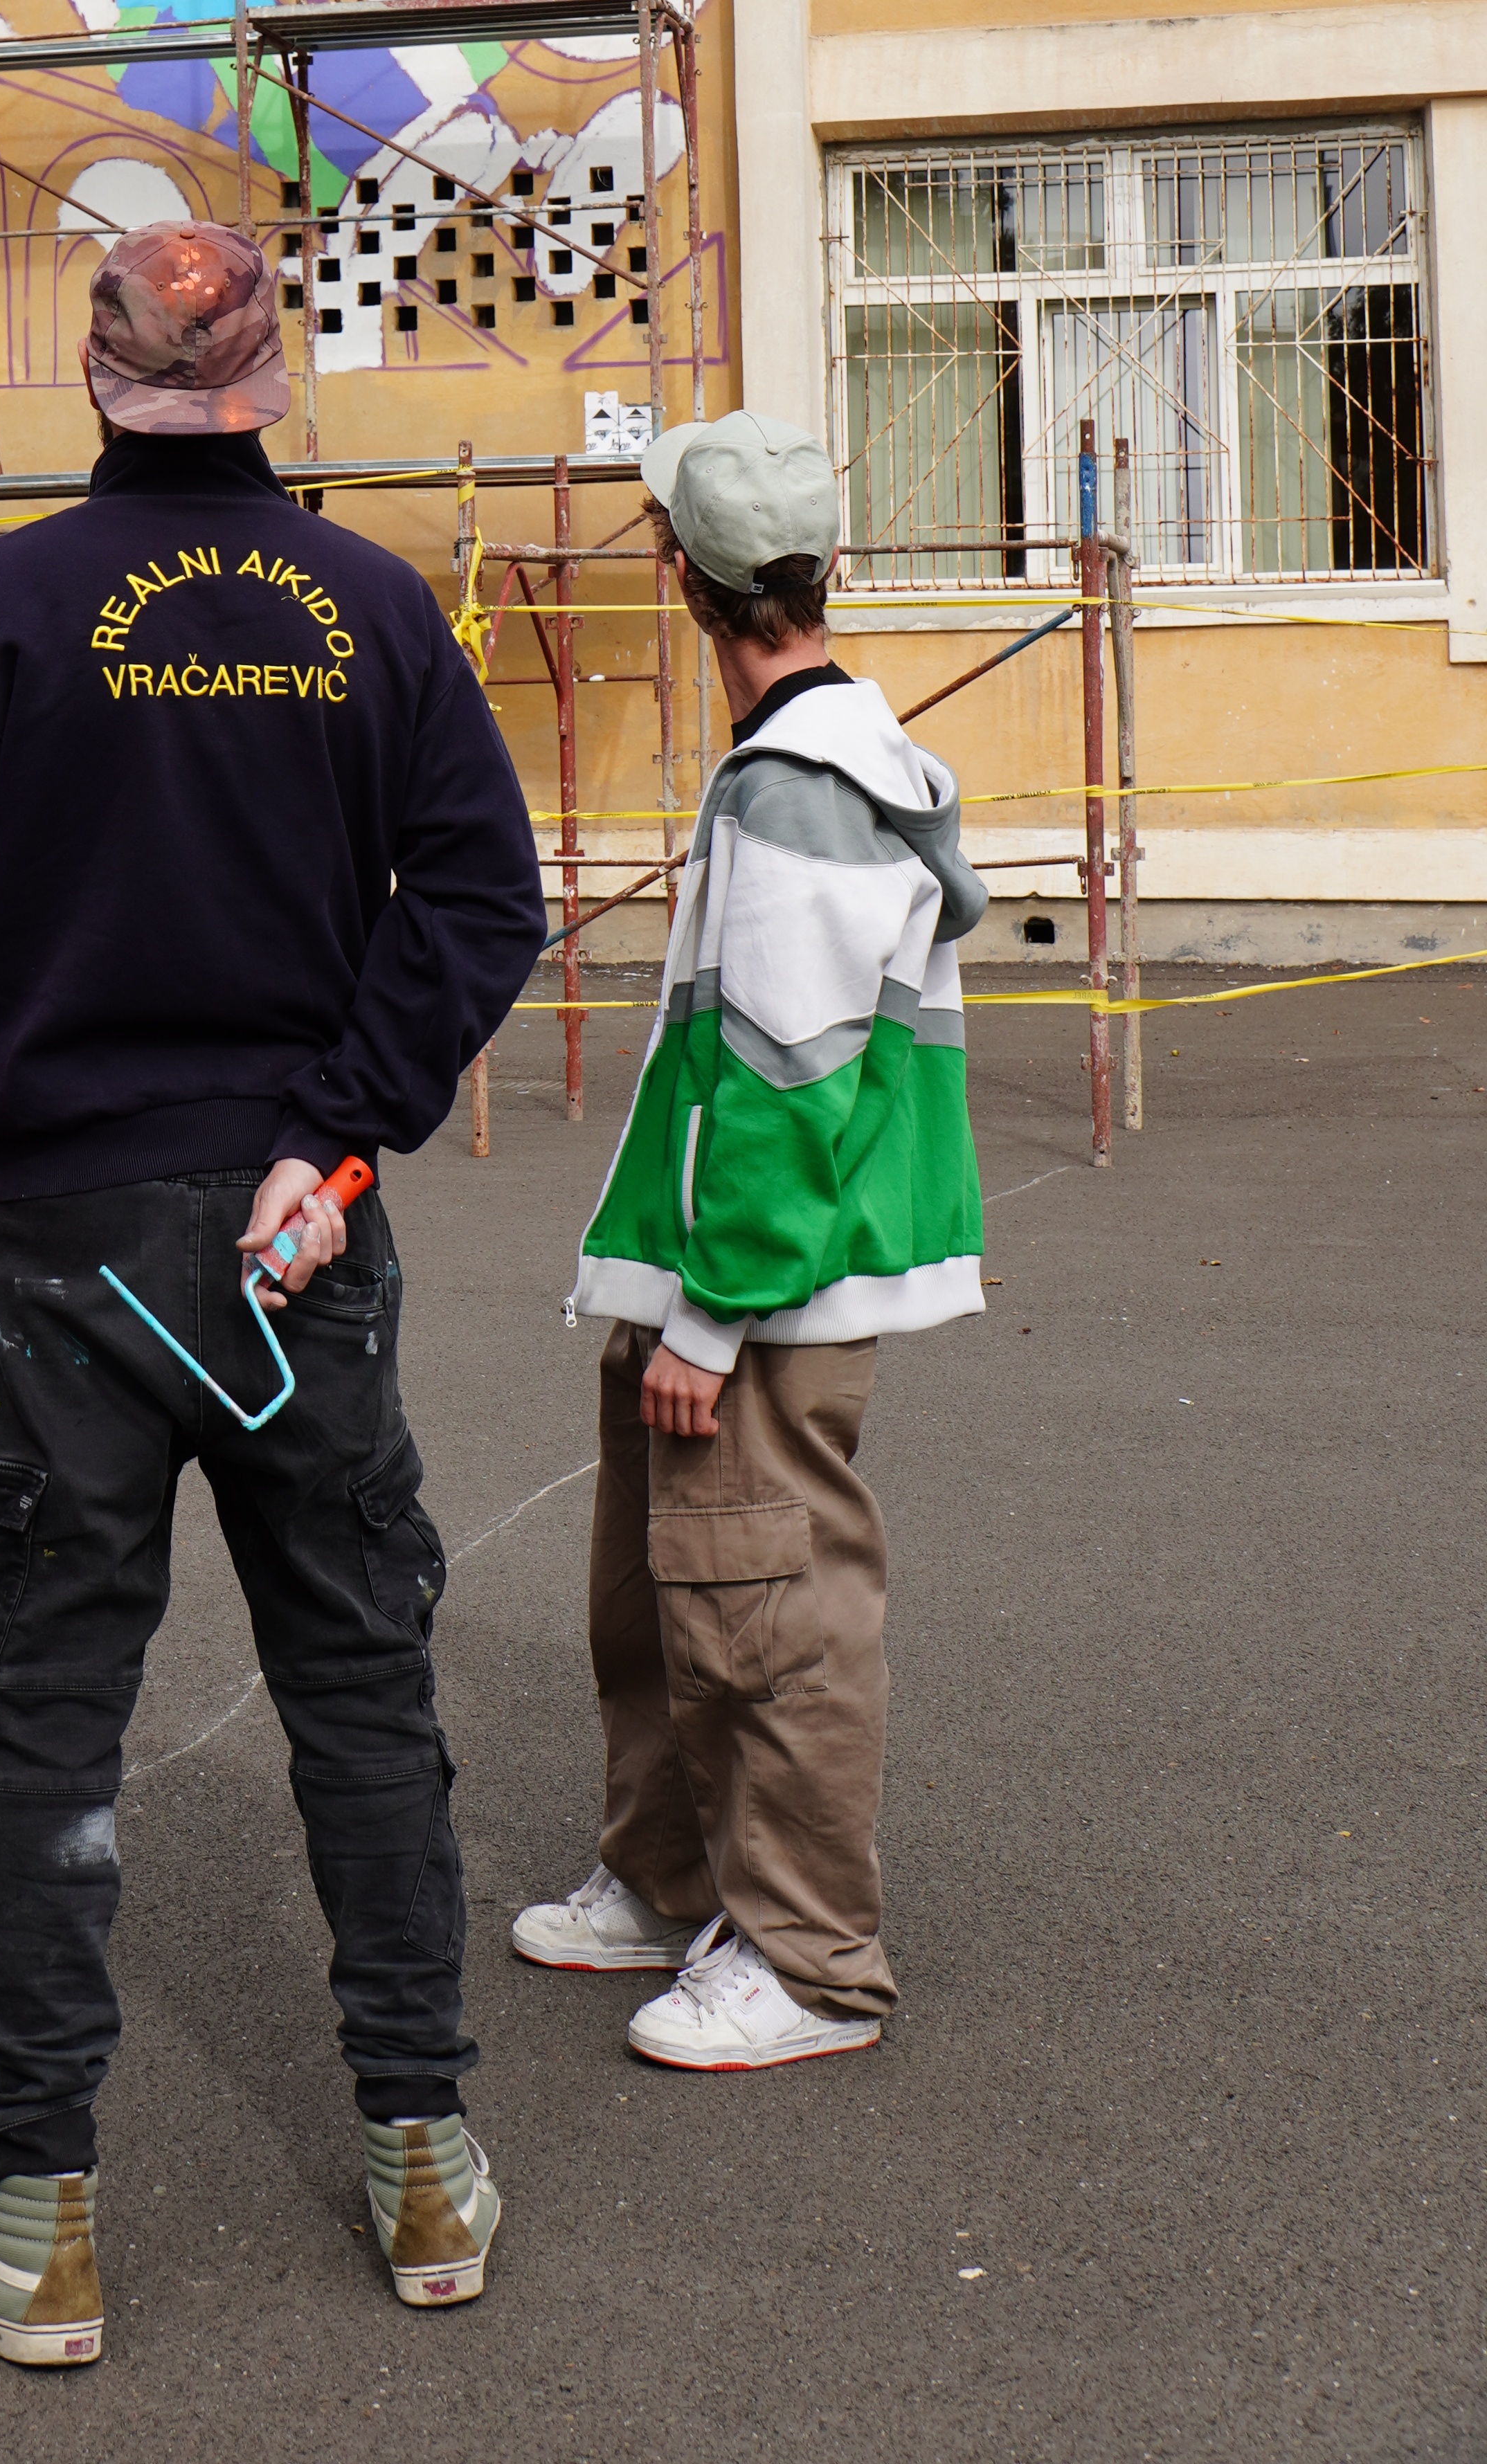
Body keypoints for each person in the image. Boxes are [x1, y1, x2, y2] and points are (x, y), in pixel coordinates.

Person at [0, 218, 546, 2367]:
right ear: (278, 373)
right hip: (292, 1228)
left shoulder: (3, 602)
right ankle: (422, 2151)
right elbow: (483, 898)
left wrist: (59, 839)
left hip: (73, 1232)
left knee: (54, 1701)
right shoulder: (375, 605)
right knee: (360, 1680)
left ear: (90, 369)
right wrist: (337, 1122)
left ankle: (39, 2207)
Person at [513, 410, 987, 2071]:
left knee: (766, 1611)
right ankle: (661, 1877)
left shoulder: (799, 781)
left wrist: (711, 1315)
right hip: (714, 1264)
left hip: (759, 1283)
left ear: (684, 580)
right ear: (821, 573)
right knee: (657, 1596)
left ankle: (807, 1958)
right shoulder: (817, 759)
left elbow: (792, 1075)